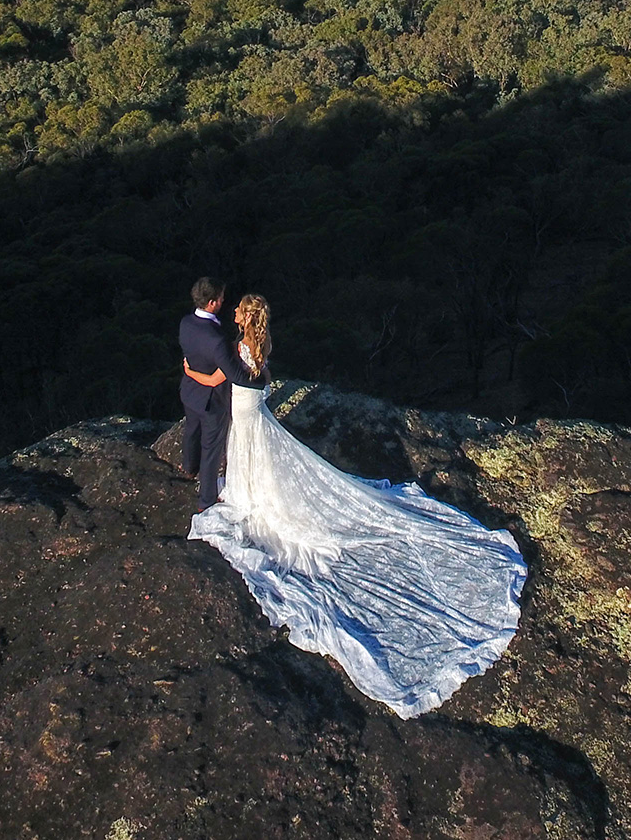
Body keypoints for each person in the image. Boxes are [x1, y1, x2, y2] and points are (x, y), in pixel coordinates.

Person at [186, 293, 526, 718]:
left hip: (249, 418)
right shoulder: (260, 345)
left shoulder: (240, 349)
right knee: (263, 466)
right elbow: (263, 379)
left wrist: (192, 373)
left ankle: (254, 502)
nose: (233, 311)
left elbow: (225, 379)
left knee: (255, 470)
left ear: (246, 317)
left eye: (239, 309)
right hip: (257, 413)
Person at [177, 277, 235, 510]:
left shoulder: (186, 323)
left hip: (190, 392)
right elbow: (231, 372)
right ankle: (206, 499)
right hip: (212, 400)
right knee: (211, 449)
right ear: (212, 303)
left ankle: (189, 467)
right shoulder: (216, 338)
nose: (223, 301)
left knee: (192, 430)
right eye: (220, 298)